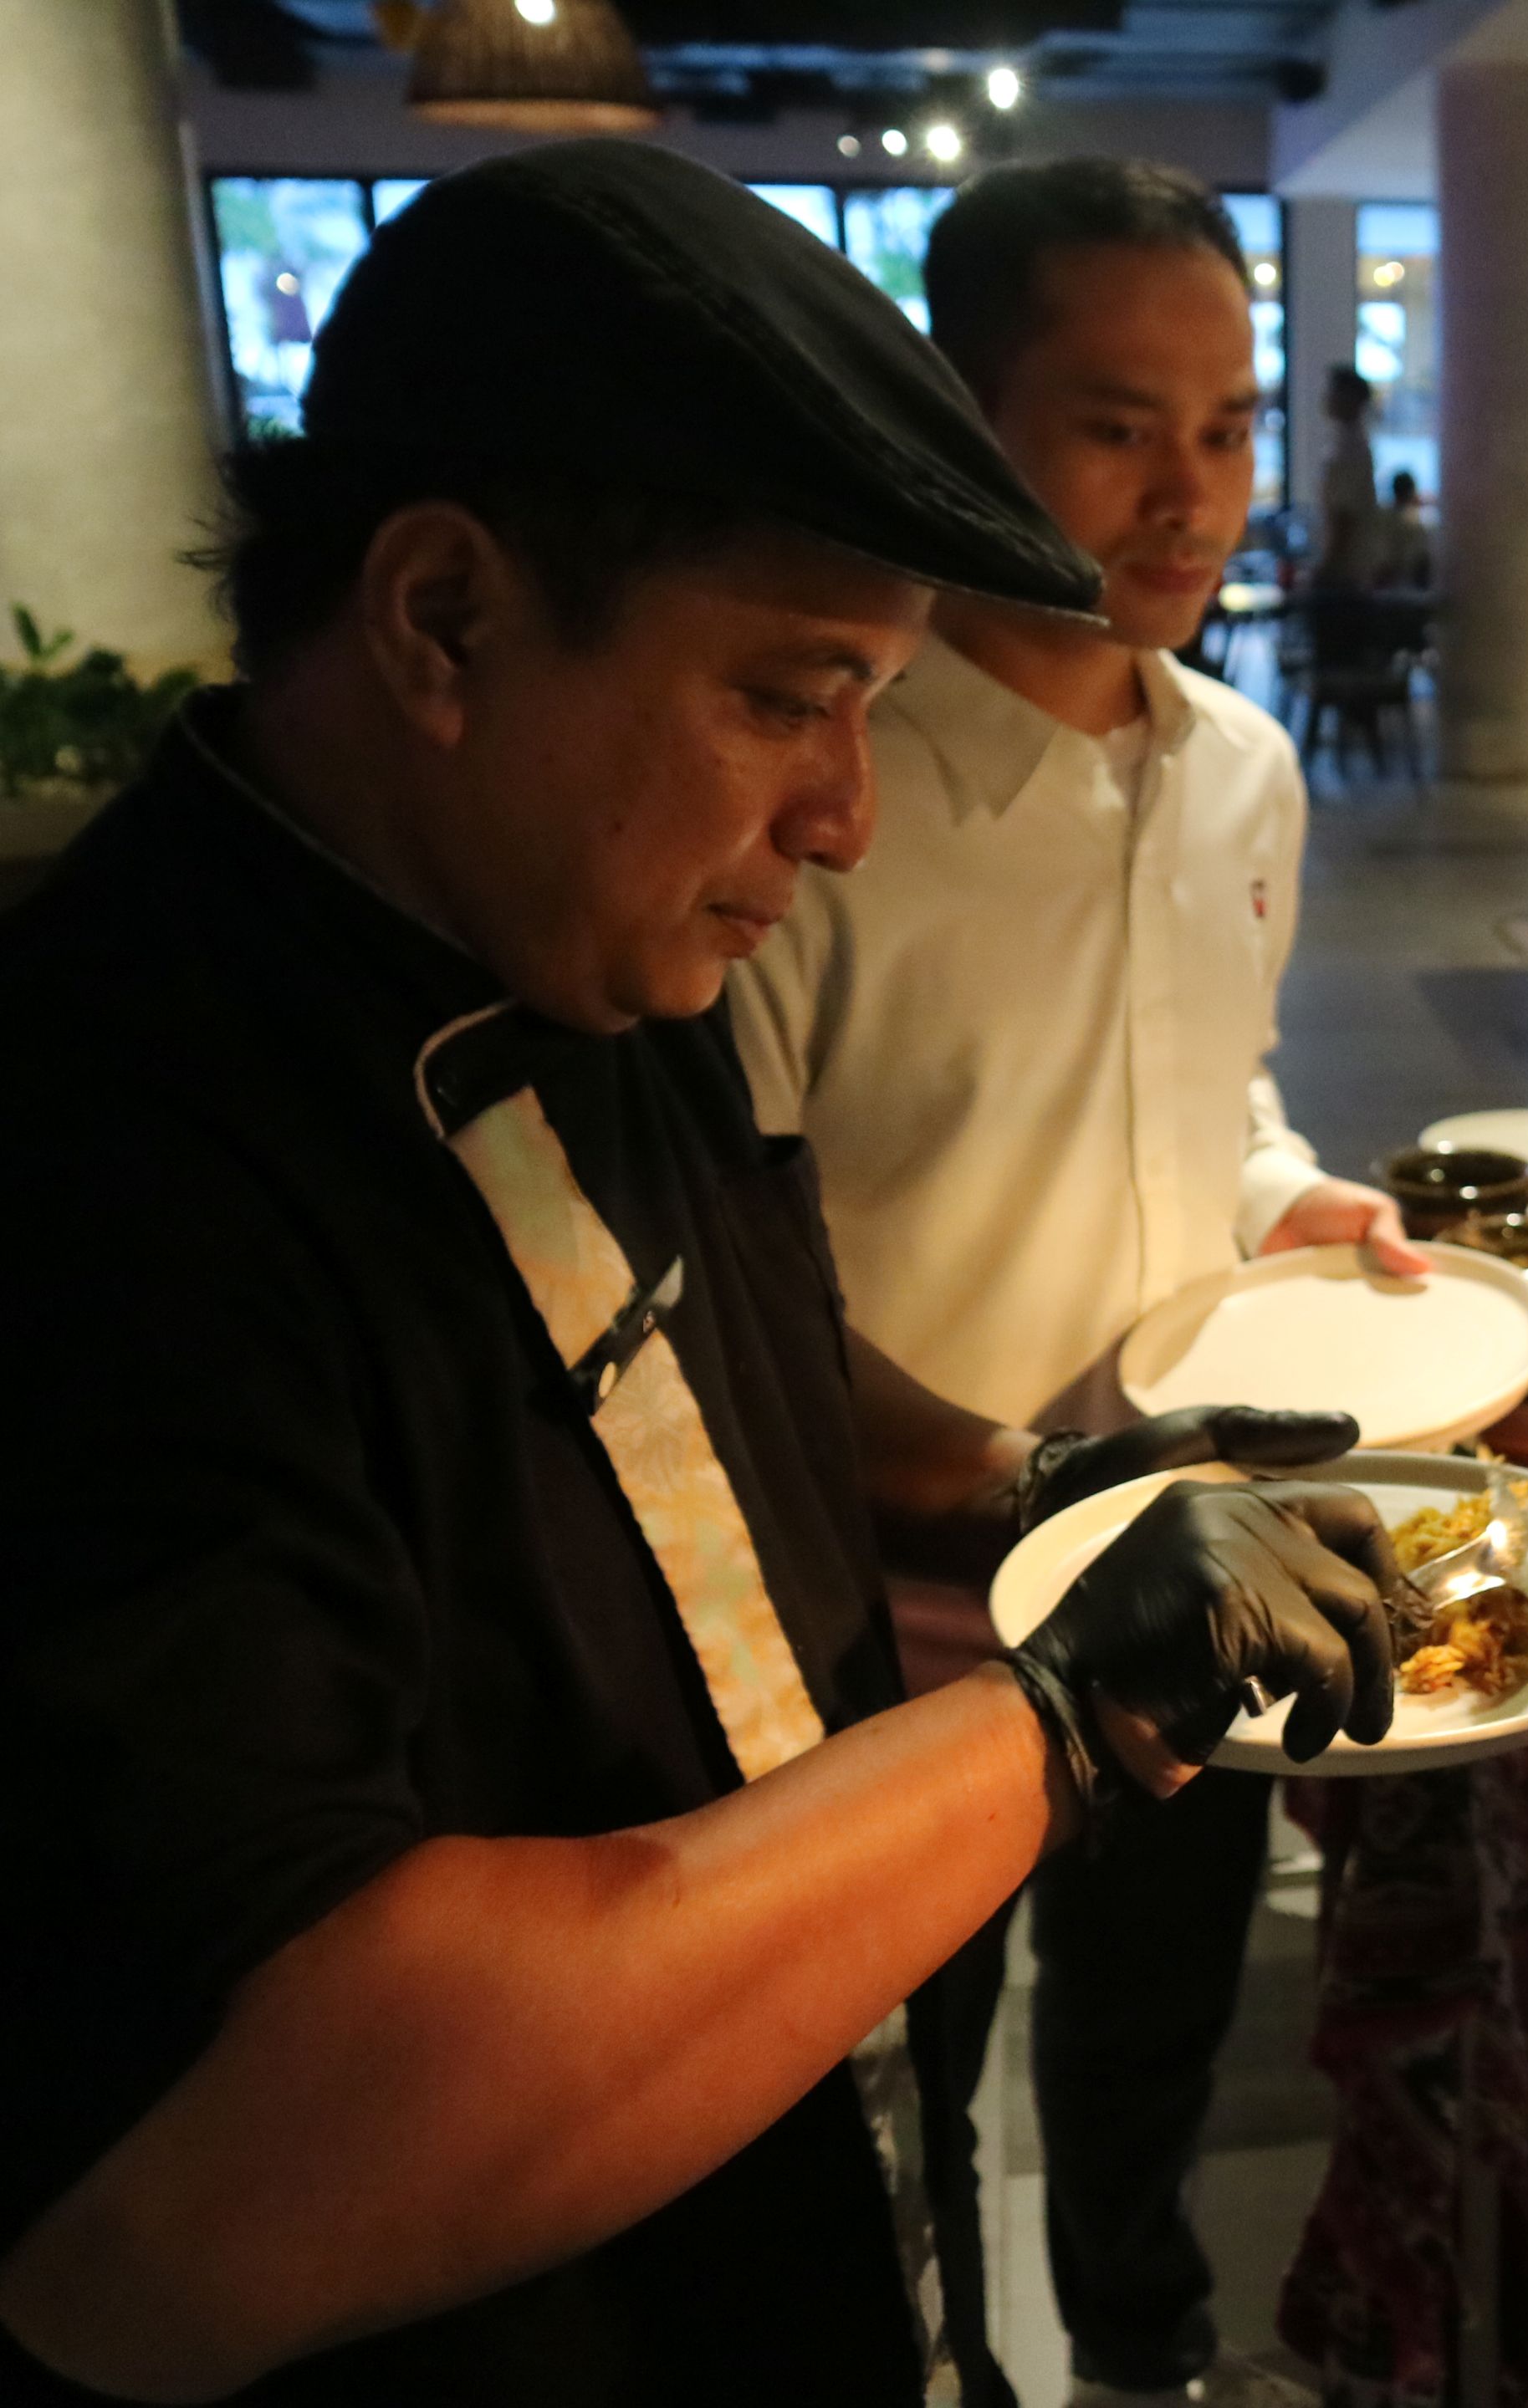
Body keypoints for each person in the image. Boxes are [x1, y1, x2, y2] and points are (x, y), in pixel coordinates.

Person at [0, 142, 1403, 2407]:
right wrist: (1048, 1722)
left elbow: (708, 1392)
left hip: (807, 2210)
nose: (849, 814)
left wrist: (1029, 1491)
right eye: (785, 695)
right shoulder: (111, 1166)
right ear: (444, 620)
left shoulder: (559, 933)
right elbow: (199, 2214)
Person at [727, 159, 1415, 2408]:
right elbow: (722, 1287)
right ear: (959, 411)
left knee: (1152, 2030)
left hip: (1177, 1542)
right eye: (1120, 423)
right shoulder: (823, 785)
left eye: (1227, 428)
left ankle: (1148, 2353)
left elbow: (1212, 1091)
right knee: (887, 2076)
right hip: (876, 1591)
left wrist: (1290, 1190)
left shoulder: (1247, 769)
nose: (1191, 493)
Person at [1314, 364, 1383, 590]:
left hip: (1345, 575)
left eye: (1333, 391)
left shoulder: (1349, 448)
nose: (1327, 397)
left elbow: (1344, 515)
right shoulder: (1347, 442)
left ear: (1349, 398)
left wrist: (1327, 567)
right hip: (1350, 571)